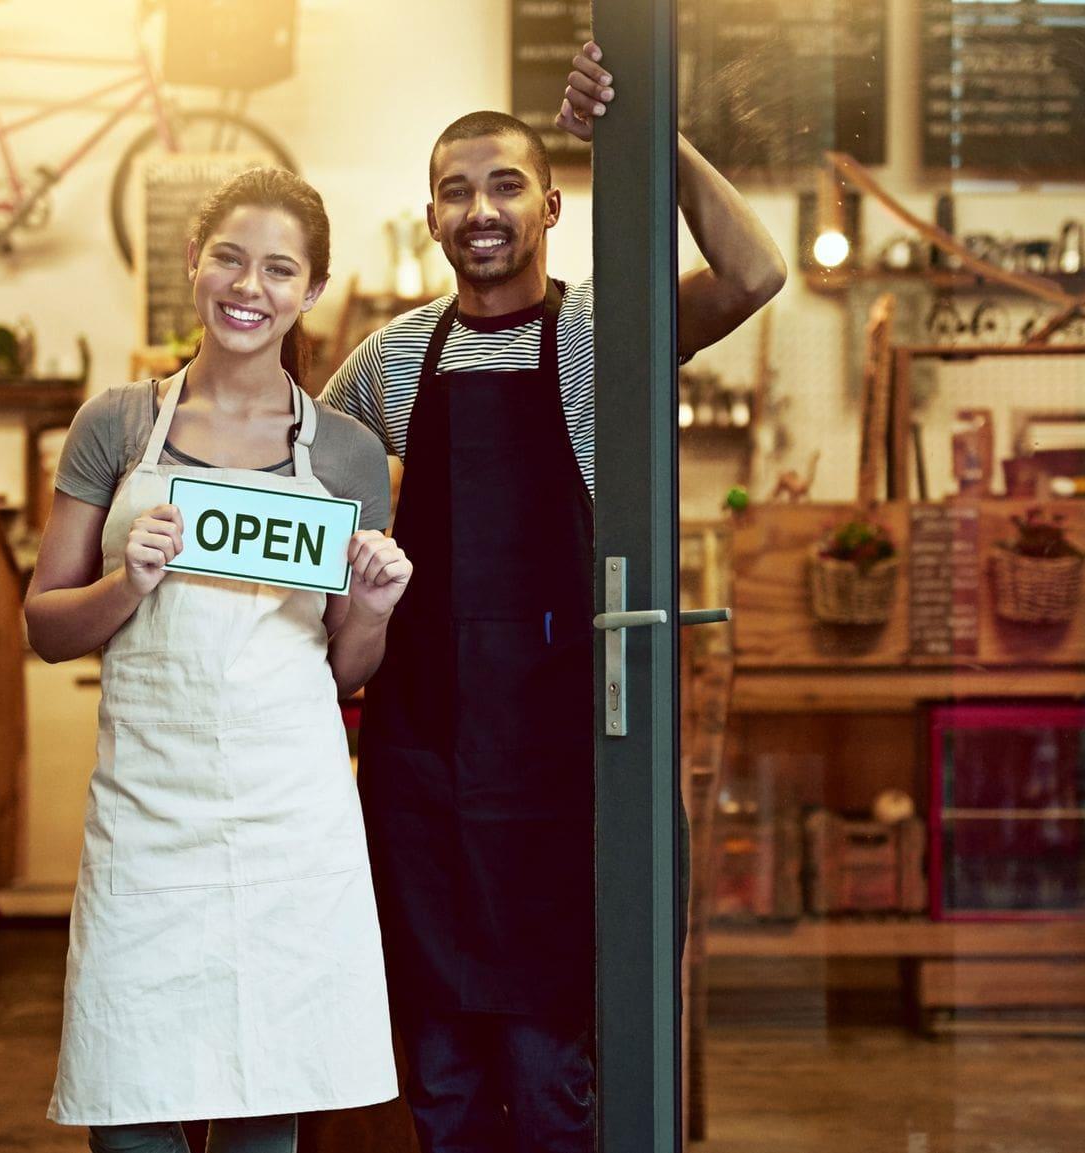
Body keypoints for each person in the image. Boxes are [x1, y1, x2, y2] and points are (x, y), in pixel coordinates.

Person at [321, 42, 787, 1153]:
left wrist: (651, 136)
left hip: (567, 758)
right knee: (437, 1067)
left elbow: (755, 273)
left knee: (548, 1068)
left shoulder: (601, 333)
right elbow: (299, 469)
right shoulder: (389, 362)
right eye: (454, 190)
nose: (479, 209)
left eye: (503, 185)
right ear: (429, 218)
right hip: (426, 765)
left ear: (551, 205)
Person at [28, 167, 412, 1153]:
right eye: (231, 258)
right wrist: (127, 584)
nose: (250, 286)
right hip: (146, 820)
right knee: (128, 1104)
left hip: (285, 818)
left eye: (279, 268)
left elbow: (345, 671)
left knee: (264, 1104)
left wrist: (368, 607)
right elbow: (43, 625)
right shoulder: (114, 426)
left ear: (311, 289)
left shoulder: (346, 455)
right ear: (193, 264)